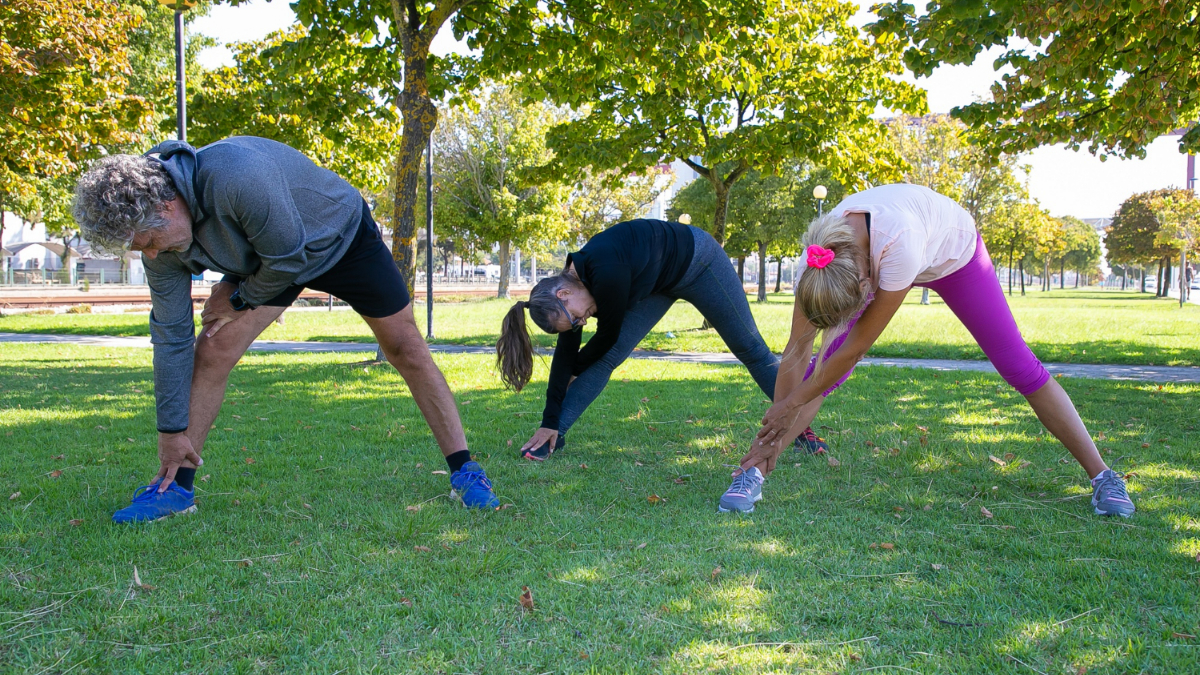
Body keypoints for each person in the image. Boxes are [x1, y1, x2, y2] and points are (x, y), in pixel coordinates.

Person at [72, 136, 499, 522]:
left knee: (405, 346)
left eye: (148, 241)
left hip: (337, 237)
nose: (151, 254)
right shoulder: (160, 249)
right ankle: (175, 488)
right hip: (271, 255)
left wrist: (237, 296)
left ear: (166, 206)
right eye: (140, 248)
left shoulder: (237, 177)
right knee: (213, 348)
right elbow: (170, 335)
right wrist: (170, 431)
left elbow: (290, 259)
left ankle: (465, 470)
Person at [727, 183, 1134, 517]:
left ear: (865, 281)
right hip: (873, 256)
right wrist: (767, 441)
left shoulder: (900, 245)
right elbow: (796, 353)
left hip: (954, 255)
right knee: (815, 366)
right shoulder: (817, 263)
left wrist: (789, 404)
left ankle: (1103, 477)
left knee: (1017, 364)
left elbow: (851, 351)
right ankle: (755, 473)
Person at [496, 219, 789, 471]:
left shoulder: (606, 274)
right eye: (574, 325)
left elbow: (605, 339)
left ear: (563, 294)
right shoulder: (573, 293)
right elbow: (566, 356)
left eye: (575, 318)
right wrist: (550, 419)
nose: (581, 323)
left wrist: (575, 368)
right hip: (658, 281)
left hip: (699, 261)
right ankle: (554, 434)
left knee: (751, 350)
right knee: (605, 359)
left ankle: (800, 426)